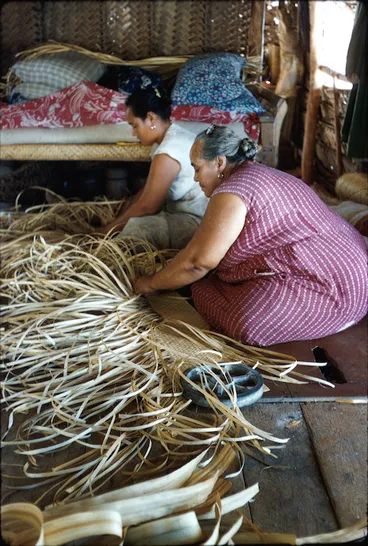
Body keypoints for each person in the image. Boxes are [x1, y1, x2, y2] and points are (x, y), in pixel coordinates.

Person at [134, 124, 368, 347]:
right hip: (356, 273)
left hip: (337, 288)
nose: (195, 178)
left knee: (241, 320)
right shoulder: (258, 173)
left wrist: (151, 284)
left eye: (197, 168)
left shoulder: (232, 191)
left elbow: (198, 263)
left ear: (219, 162)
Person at [95, 86, 208, 249]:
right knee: (129, 216)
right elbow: (147, 193)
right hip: (187, 216)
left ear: (151, 118)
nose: (133, 133)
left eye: (134, 125)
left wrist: (104, 233)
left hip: (197, 224)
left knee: (137, 229)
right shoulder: (170, 137)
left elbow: (148, 206)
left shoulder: (169, 150)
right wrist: (119, 218)